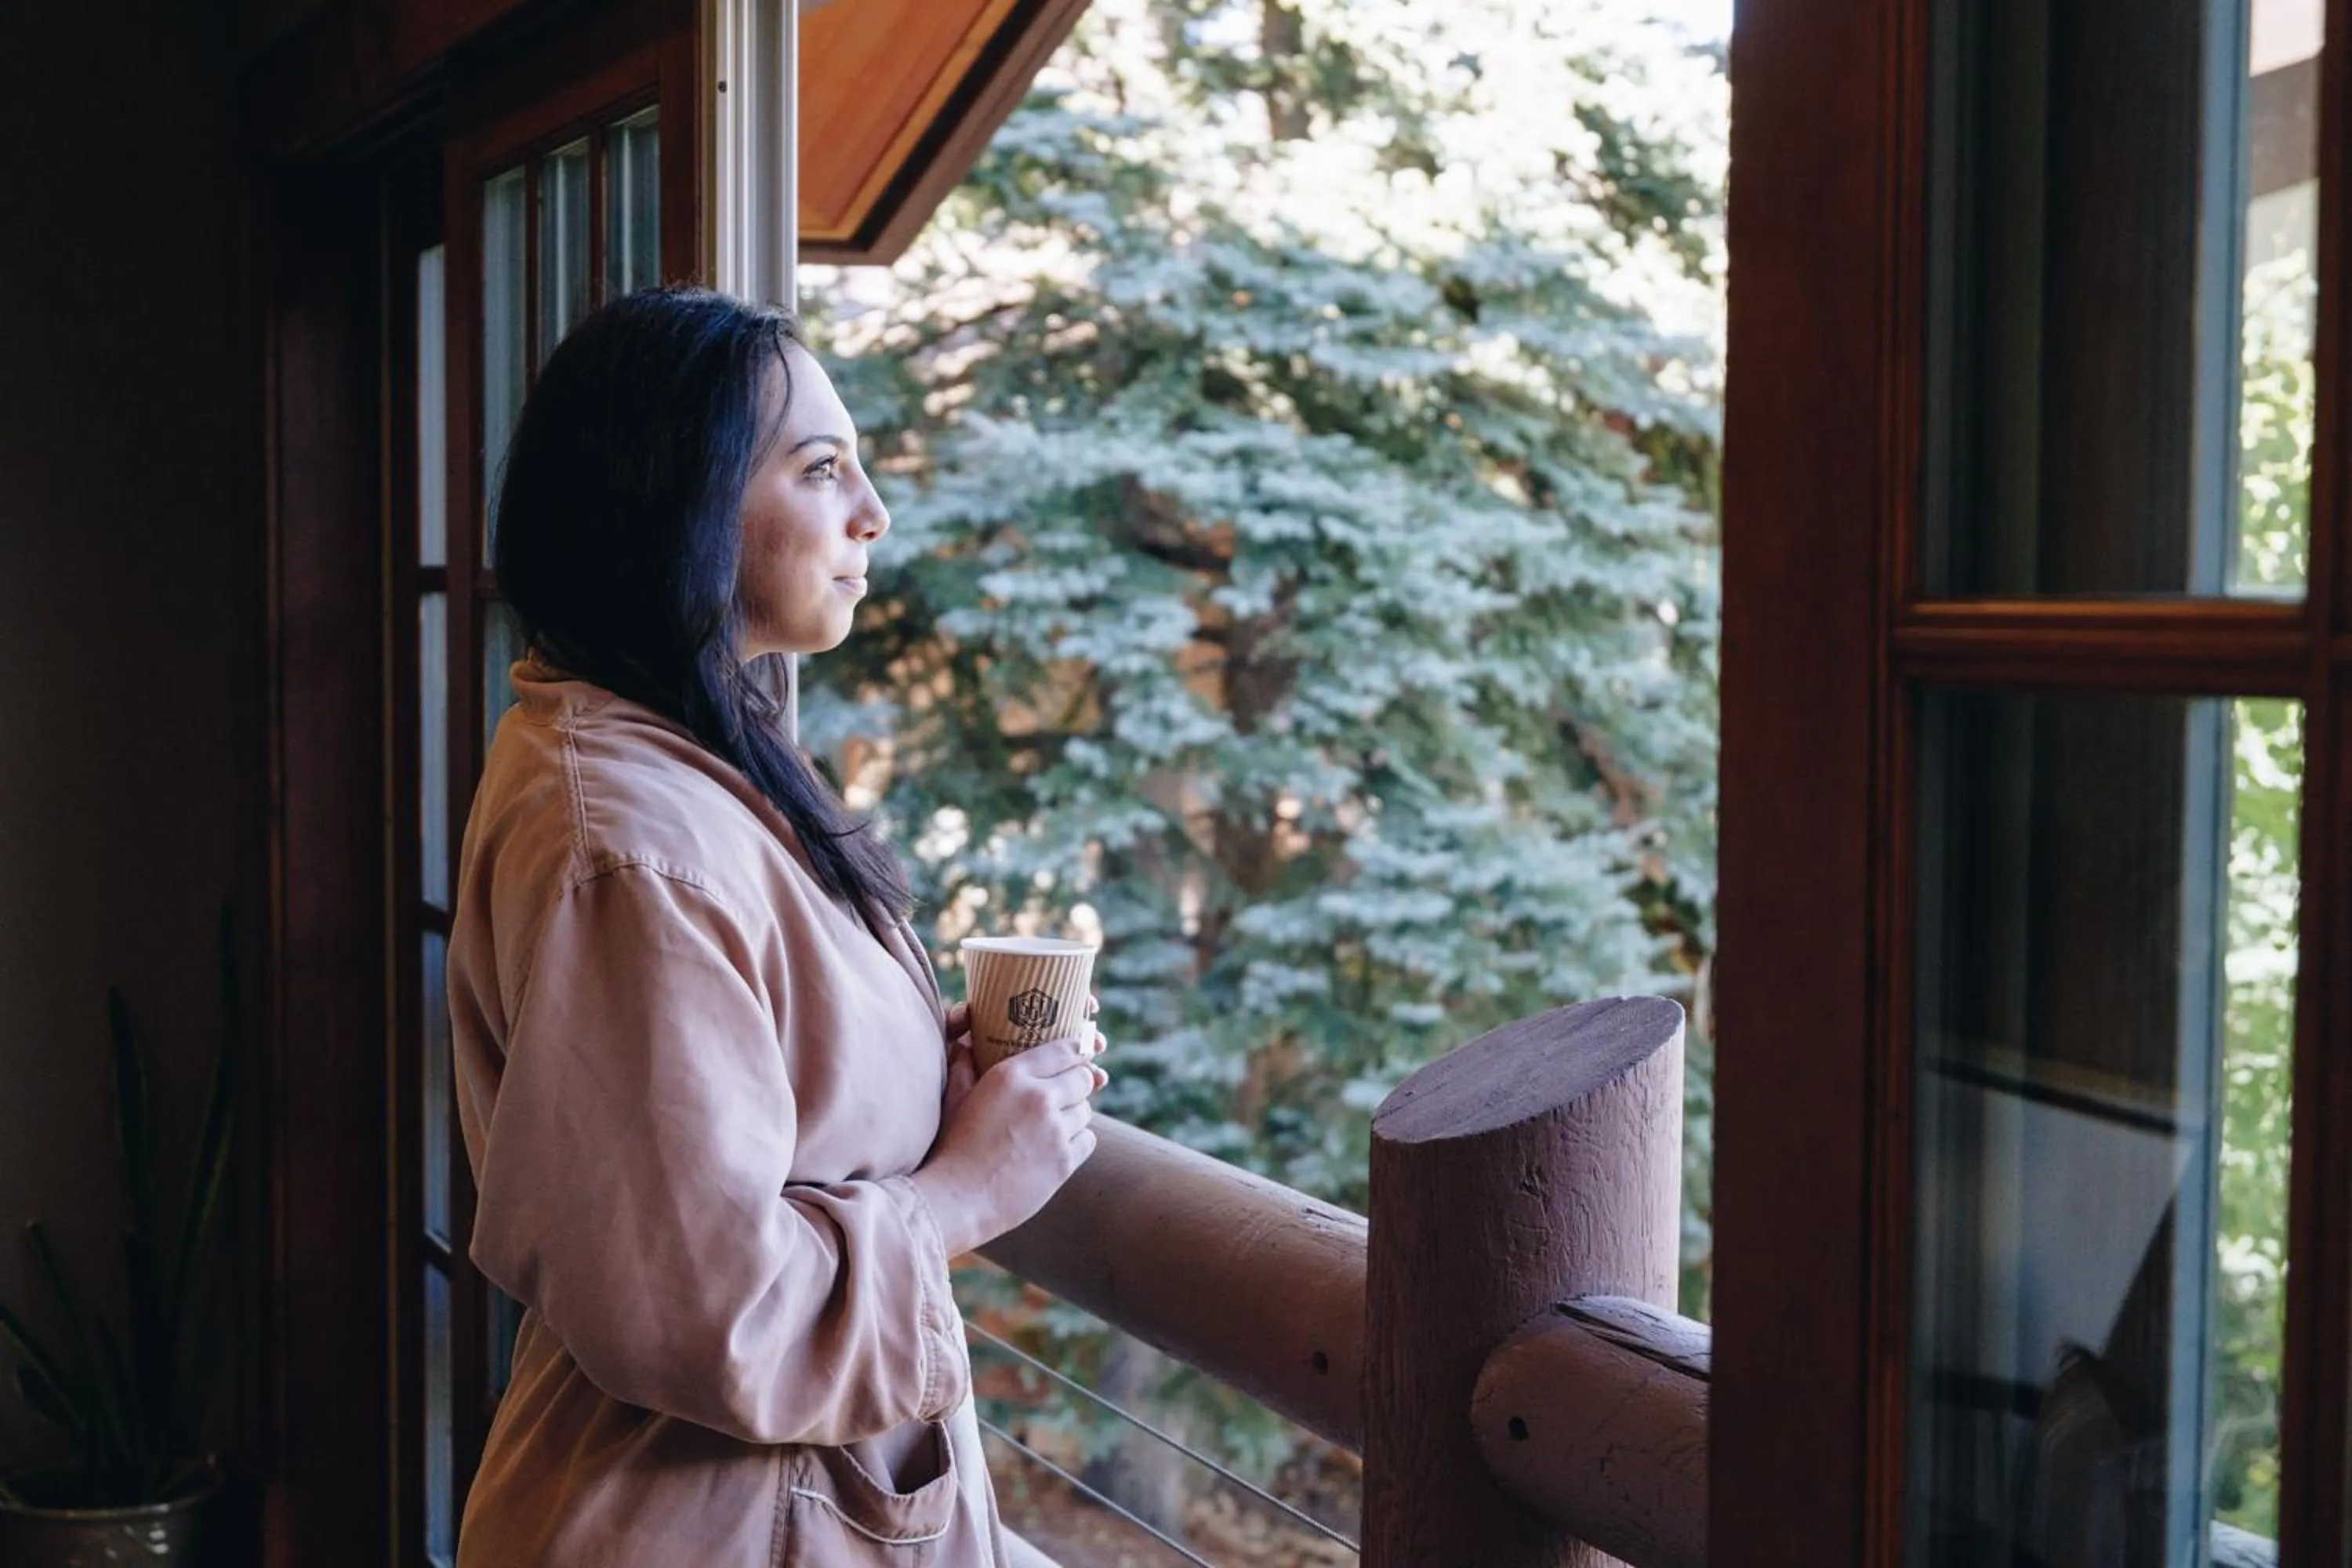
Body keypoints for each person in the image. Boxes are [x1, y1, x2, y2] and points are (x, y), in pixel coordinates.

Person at [446, 285, 1106, 1566]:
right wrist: (964, 1191)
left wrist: (932, 1081)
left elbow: (745, 1111)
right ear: (677, 501)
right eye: (821, 469)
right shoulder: (631, 849)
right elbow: (706, 1306)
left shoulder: (688, 764)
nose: (875, 513)